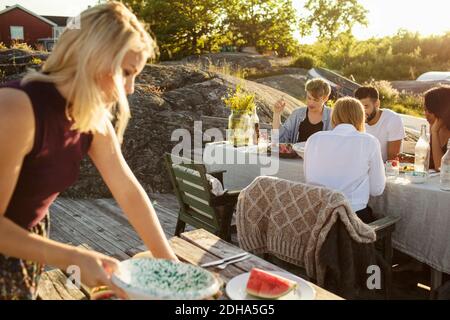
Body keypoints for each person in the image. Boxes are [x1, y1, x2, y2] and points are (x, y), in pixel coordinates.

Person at [0, 2, 178, 300]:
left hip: (25, 245)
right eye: (126, 72)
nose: (131, 88)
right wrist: (75, 257)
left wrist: (168, 261)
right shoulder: (16, 108)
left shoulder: (92, 117)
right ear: (96, 57)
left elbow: (128, 190)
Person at [304, 97, 386, 223]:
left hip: (317, 215)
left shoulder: (314, 139)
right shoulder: (369, 141)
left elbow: (309, 179)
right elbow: (377, 189)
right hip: (353, 216)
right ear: (360, 117)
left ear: (334, 116)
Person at [272, 78, 332, 143]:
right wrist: (277, 113)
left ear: (326, 98)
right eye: (309, 98)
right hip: (296, 153)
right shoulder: (297, 114)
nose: (311, 103)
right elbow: (279, 139)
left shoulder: (332, 117)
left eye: (316, 100)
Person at [354, 86, 405, 162]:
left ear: (377, 104)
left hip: (384, 170)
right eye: (359, 107)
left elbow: (392, 159)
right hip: (361, 169)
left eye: (365, 106)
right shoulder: (355, 119)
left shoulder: (392, 119)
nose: (361, 112)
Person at [423, 86, 450, 170]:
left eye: (430, 111)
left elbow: (440, 167)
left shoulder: (435, 128)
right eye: (424, 110)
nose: (426, 114)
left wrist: (434, 132)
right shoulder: (434, 126)